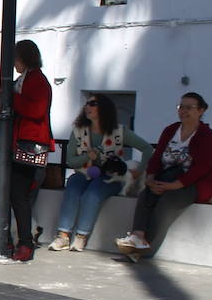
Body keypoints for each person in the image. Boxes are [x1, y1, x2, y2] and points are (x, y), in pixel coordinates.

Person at [115, 93, 212, 259]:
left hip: (191, 184)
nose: (183, 111)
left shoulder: (207, 135)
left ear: (201, 110)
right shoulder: (171, 130)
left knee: (166, 203)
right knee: (146, 195)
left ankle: (142, 247)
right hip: (165, 178)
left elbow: (203, 167)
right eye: (181, 107)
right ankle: (137, 236)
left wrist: (176, 185)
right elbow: (157, 157)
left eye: (189, 107)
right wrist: (150, 177)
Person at [50, 93, 153, 252]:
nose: (87, 107)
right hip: (84, 173)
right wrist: (87, 156)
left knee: (93, 193)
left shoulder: (119, 131)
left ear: (104, 109)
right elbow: (71, 161)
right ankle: (63, 235)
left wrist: (138, 171)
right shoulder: (78, 131)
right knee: (72, 187)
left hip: (111, 176)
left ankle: (81, 236)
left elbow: (147, 149)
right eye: (87, 104)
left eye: (93, 104)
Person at [0, 39, 54, 262]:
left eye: (16, 60)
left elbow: (36, 110)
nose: (14, 65)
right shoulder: (26, 79)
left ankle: (24, 243)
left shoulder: (37, 81)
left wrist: (12, 98)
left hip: (29, 146)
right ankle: (8, 240)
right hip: (19, 144)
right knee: (11, 195)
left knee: (19, 196)